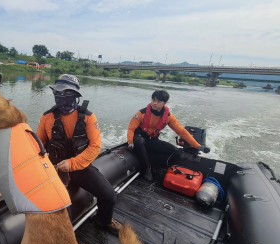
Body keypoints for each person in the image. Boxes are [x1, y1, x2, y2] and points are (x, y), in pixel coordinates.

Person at [36, 74, 122, 235]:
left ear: (75, 95)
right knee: (62, 208)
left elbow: (95, 147)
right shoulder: (47, 117)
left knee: (109, 195)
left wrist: (72, 164)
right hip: (55, 169)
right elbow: (38, 146)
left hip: (79, 167)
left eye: (65, 93)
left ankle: (102, 221)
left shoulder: (88, 117)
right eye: (57, 92)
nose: (60, 96)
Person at [127, 90, 210, 181]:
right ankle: (147, 168)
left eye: (158, 101)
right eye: (153, 100)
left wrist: (197, 146)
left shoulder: (168, 117)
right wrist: (130, 141)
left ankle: (154, 165)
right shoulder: (140, 113)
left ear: (165, 103)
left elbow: (181, 131)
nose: (154, 103)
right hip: (139, 137)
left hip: (152, 140)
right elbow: (131, 129)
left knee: (175, 152)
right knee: (139, 141)